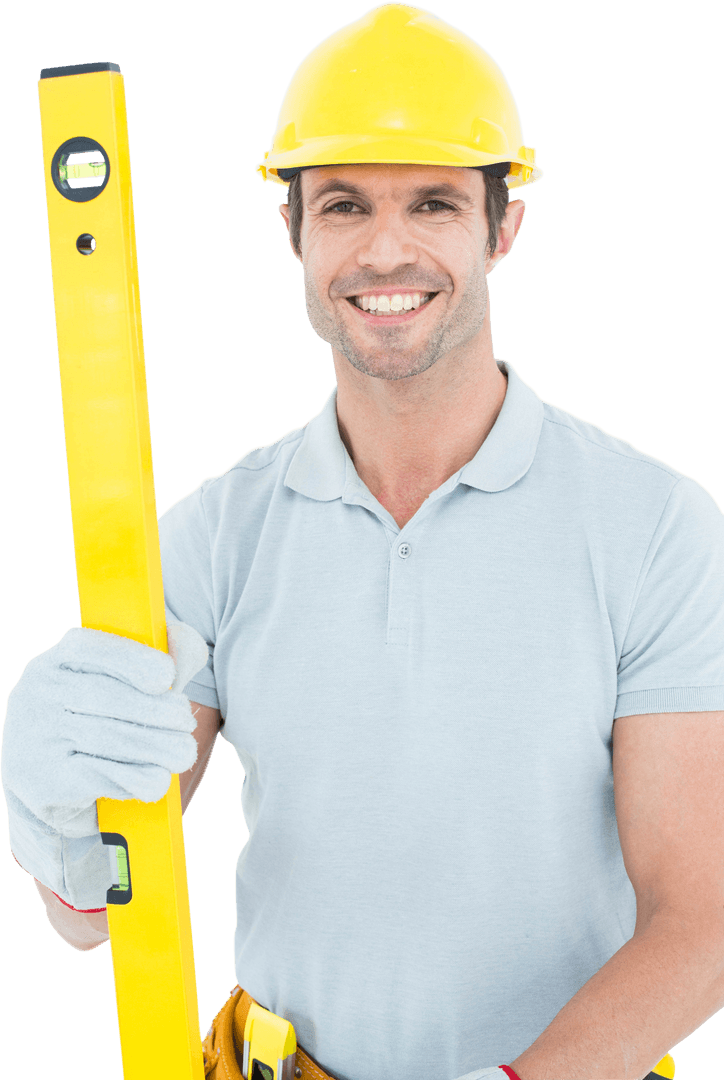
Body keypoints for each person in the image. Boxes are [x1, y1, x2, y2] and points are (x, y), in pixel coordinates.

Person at [3, 4, 724, 1079]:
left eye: (433, 203)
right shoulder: (213, 536)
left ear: (501, 228)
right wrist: (56, 821)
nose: (386, 250)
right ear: (294, 231)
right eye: (343, 205)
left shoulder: (653, 525)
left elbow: (702, 923)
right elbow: (99, 915)